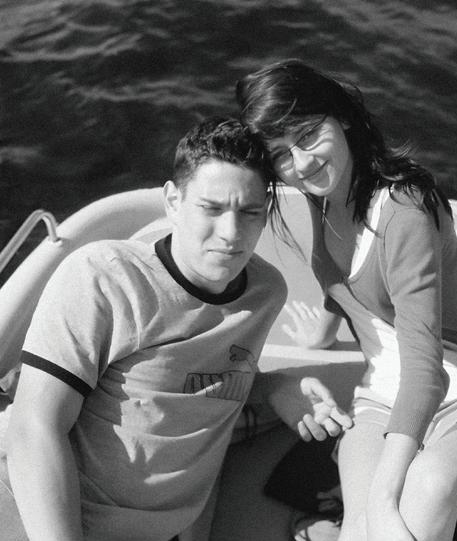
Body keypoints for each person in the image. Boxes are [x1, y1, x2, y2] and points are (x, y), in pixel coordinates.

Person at [1, 116, 350, 541]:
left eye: (249, 212)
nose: (230, 233)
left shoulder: (263, 293)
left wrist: (277, 387)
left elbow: (201, 379)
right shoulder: (104, 277)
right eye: (212, 208)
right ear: (172, 201)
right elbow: (34, 428)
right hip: (34, 516)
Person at [236, 59, 457, 541]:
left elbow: (426, 370)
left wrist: (384, 497)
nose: (302, 162)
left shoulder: (404, 210)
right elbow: (340, 280)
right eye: (281, 154)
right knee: (360, 531)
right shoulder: (324, 193)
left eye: (309, 134)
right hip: (384, 395)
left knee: (429, 486)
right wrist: (319, 335)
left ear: (343, 117)